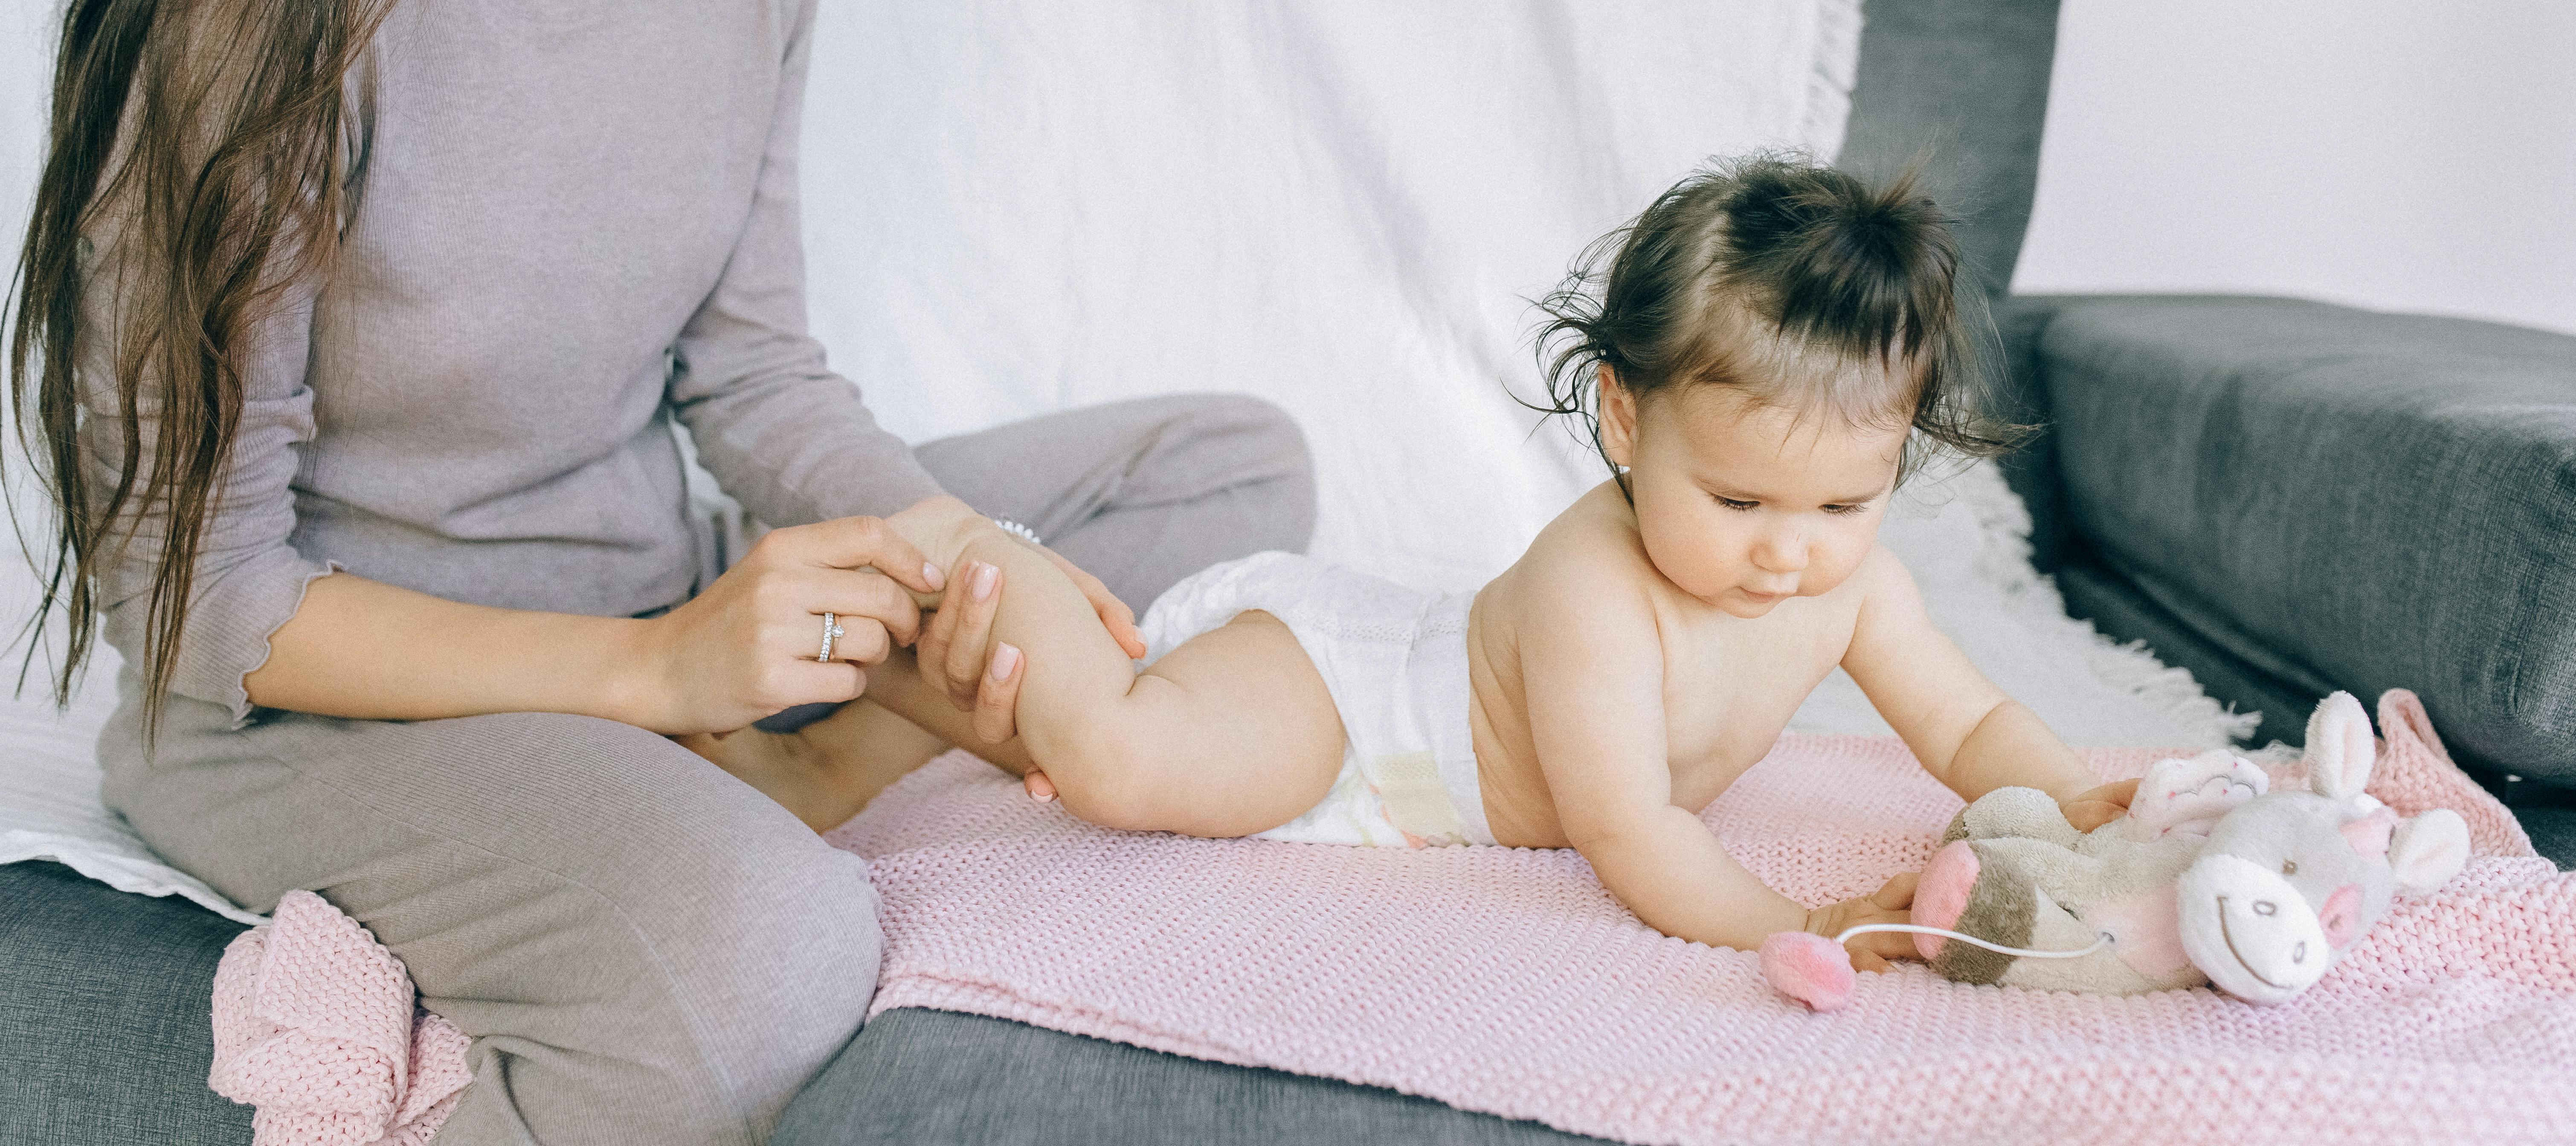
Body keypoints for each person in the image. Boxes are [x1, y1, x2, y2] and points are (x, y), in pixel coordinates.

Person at [4, 0, 1310, 1141]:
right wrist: (656, 675)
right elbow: (218, 598)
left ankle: (785, 753)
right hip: (321, 708)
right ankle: (753, 777)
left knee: (1230, 468)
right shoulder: (257, 5)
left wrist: (951, 552)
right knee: (767, 953)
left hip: (659, 585)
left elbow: (751, 367)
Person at [731, 154, 2140, 968]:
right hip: (1352, 705)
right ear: (1626, 416)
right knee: (1116, 764)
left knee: (1097, 742)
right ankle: (969, 554)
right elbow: (1628, 830)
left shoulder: (1853, 588)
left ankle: (905, 681)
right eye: (1737, 498)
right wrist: (1807, 924)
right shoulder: (1598, 584)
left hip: (1403, 776)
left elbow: (1961, 722)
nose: (1789, 555)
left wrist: (2084, 794)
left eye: (1844, 505)